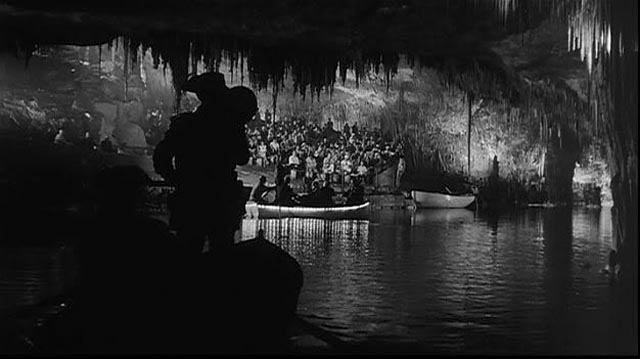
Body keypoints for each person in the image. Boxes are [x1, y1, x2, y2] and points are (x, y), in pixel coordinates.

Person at [153, 72, 250, 254]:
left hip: (191, 197)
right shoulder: (230, 126)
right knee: (221, 253)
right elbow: (242, 157)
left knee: (188, 252)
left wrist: (175, 178)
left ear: (200, 96)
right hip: (221, 199)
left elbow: (161, 156)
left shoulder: (185, 123)